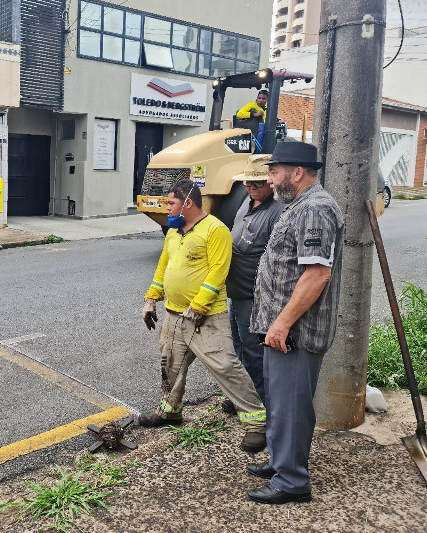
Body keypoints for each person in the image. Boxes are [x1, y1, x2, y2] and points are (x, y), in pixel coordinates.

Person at [246, 141, 344, 505]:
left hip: (295, 332)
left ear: (297, 172)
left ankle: (292, 482)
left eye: (273, 172)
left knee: (291, 406)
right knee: (280, 402)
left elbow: (317, 274)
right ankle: (280, 461)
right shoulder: (298, 206)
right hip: (281, 330)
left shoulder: (315, 209)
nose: (269, 180)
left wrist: (282, 324)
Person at [140, 179, 267, 454]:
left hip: (206, 317)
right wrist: (151, 298)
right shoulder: (173, 232)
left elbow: (218, 272)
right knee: (170, 366)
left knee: (226, 367)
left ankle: (258, 424)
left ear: (188, 203)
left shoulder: (215, 230)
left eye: (171, 203)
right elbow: (165, 267)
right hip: (174, 314)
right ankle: (170, 411)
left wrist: (198, 306)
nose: (167, 210)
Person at [222, 154, 284, 412]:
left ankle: (262, 404)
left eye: (257, 183)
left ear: (271, 182)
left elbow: (277, 261)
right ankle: (244, 397)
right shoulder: (247, 202)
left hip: (254, 297)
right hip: (236, 293)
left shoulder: (277, 212)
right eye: (247, 183)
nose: (250, 187)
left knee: (253, 351)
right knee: (238, 348)